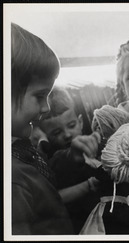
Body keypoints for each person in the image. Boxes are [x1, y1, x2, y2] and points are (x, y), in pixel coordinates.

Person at [11, 22, 75, 234]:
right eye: (39, 96)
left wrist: (71, 156)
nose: (46, 107)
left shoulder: (19, 146)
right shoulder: (12, 181)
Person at [37, 85, 101, 233]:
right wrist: (89, 184)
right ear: (46, 135)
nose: (67, 135)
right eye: (56, 132)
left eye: (71, 125)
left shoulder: (95, 143)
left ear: (80, 122)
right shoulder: (48, 162)